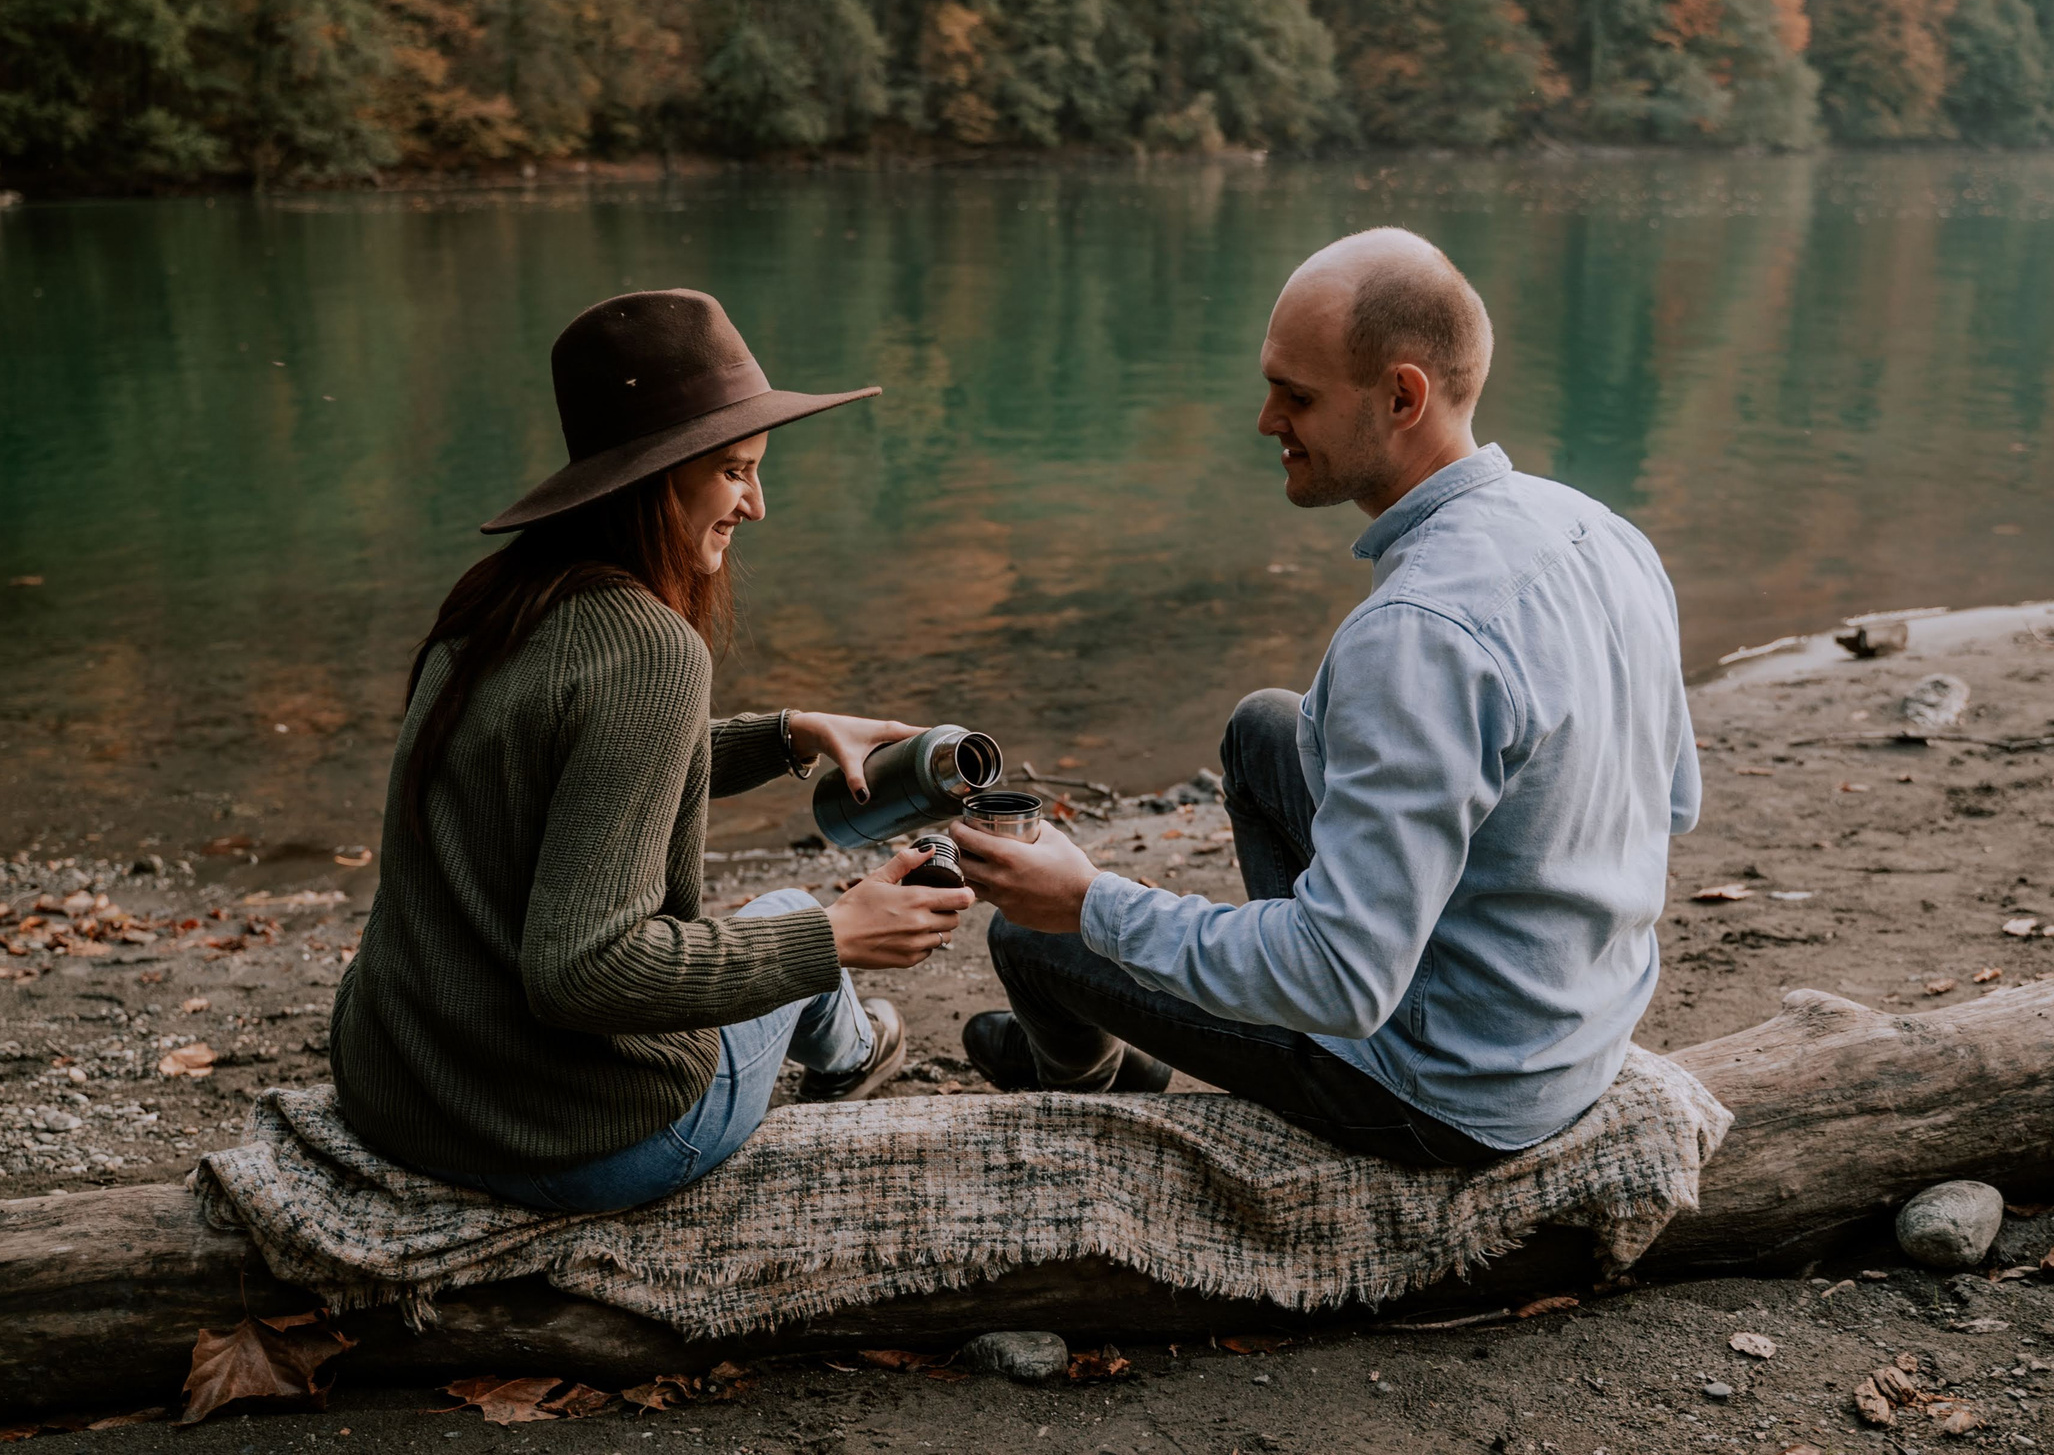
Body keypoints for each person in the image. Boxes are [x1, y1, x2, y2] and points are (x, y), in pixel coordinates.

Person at [953, 228, 1700, 1168]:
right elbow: (1674, 803)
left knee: (1033, 939)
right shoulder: (1600, 530)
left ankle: (1095, 1085)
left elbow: (1345, 977)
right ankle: (1265, 1006)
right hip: (1579, 1017)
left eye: (1295, 396)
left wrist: (1090, 900)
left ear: (1401, 396)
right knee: (1266, 728)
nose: (1267, 420)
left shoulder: (1416, 633)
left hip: (1457, 1093)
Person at [332, 288, 972, 1214]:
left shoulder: (496, 605)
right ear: (654, 477)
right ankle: (855, 1051)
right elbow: (585, 970)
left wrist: (788, 734)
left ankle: (854, 1044)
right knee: (794, 909)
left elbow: (571, 767)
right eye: (736, 472)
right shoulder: (652, 651)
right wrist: (836, 935)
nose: (757, 504)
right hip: (563, 1142)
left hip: (404, 1094)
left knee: (780, 926)